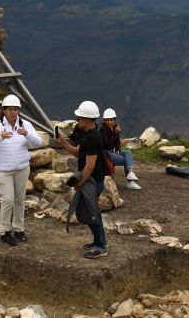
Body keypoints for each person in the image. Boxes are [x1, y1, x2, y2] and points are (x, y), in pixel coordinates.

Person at [0, 94, 43, 246]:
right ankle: (5, 232)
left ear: (18, 111)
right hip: (3, 170)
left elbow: (38, 143)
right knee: (8, 199)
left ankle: (19, 229)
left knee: (19, 199)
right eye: (10, 109)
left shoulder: (25, 125)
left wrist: (27, 134)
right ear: (3, 110)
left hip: (22, 168)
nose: (13, 112)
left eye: (15, 109)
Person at [56, 100, 108, 259]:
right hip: (92, 180)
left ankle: (100, 247)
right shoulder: (88, 135)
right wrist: (63, 142)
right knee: (94, 211)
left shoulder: (93, 138)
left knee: (89, 212)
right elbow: (78, 153)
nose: (77, 120)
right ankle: (100, 242)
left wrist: (80, 183)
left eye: (79, 118)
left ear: (87, 119)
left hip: (92, 181)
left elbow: (90, 166)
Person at [100, 108, 141, 190]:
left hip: (113, 151)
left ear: (114, 120)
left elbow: (117, 141)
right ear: (104, 120)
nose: (109, 122)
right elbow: (106, 144)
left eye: (111, 120)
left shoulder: (115, 127)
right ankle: (130, 182)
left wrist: (118, 149)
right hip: (107, 153)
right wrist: (116, 133)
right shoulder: (102, 130)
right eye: (107, 120)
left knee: (128, 153)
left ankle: (130, 172)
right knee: (125, 160)